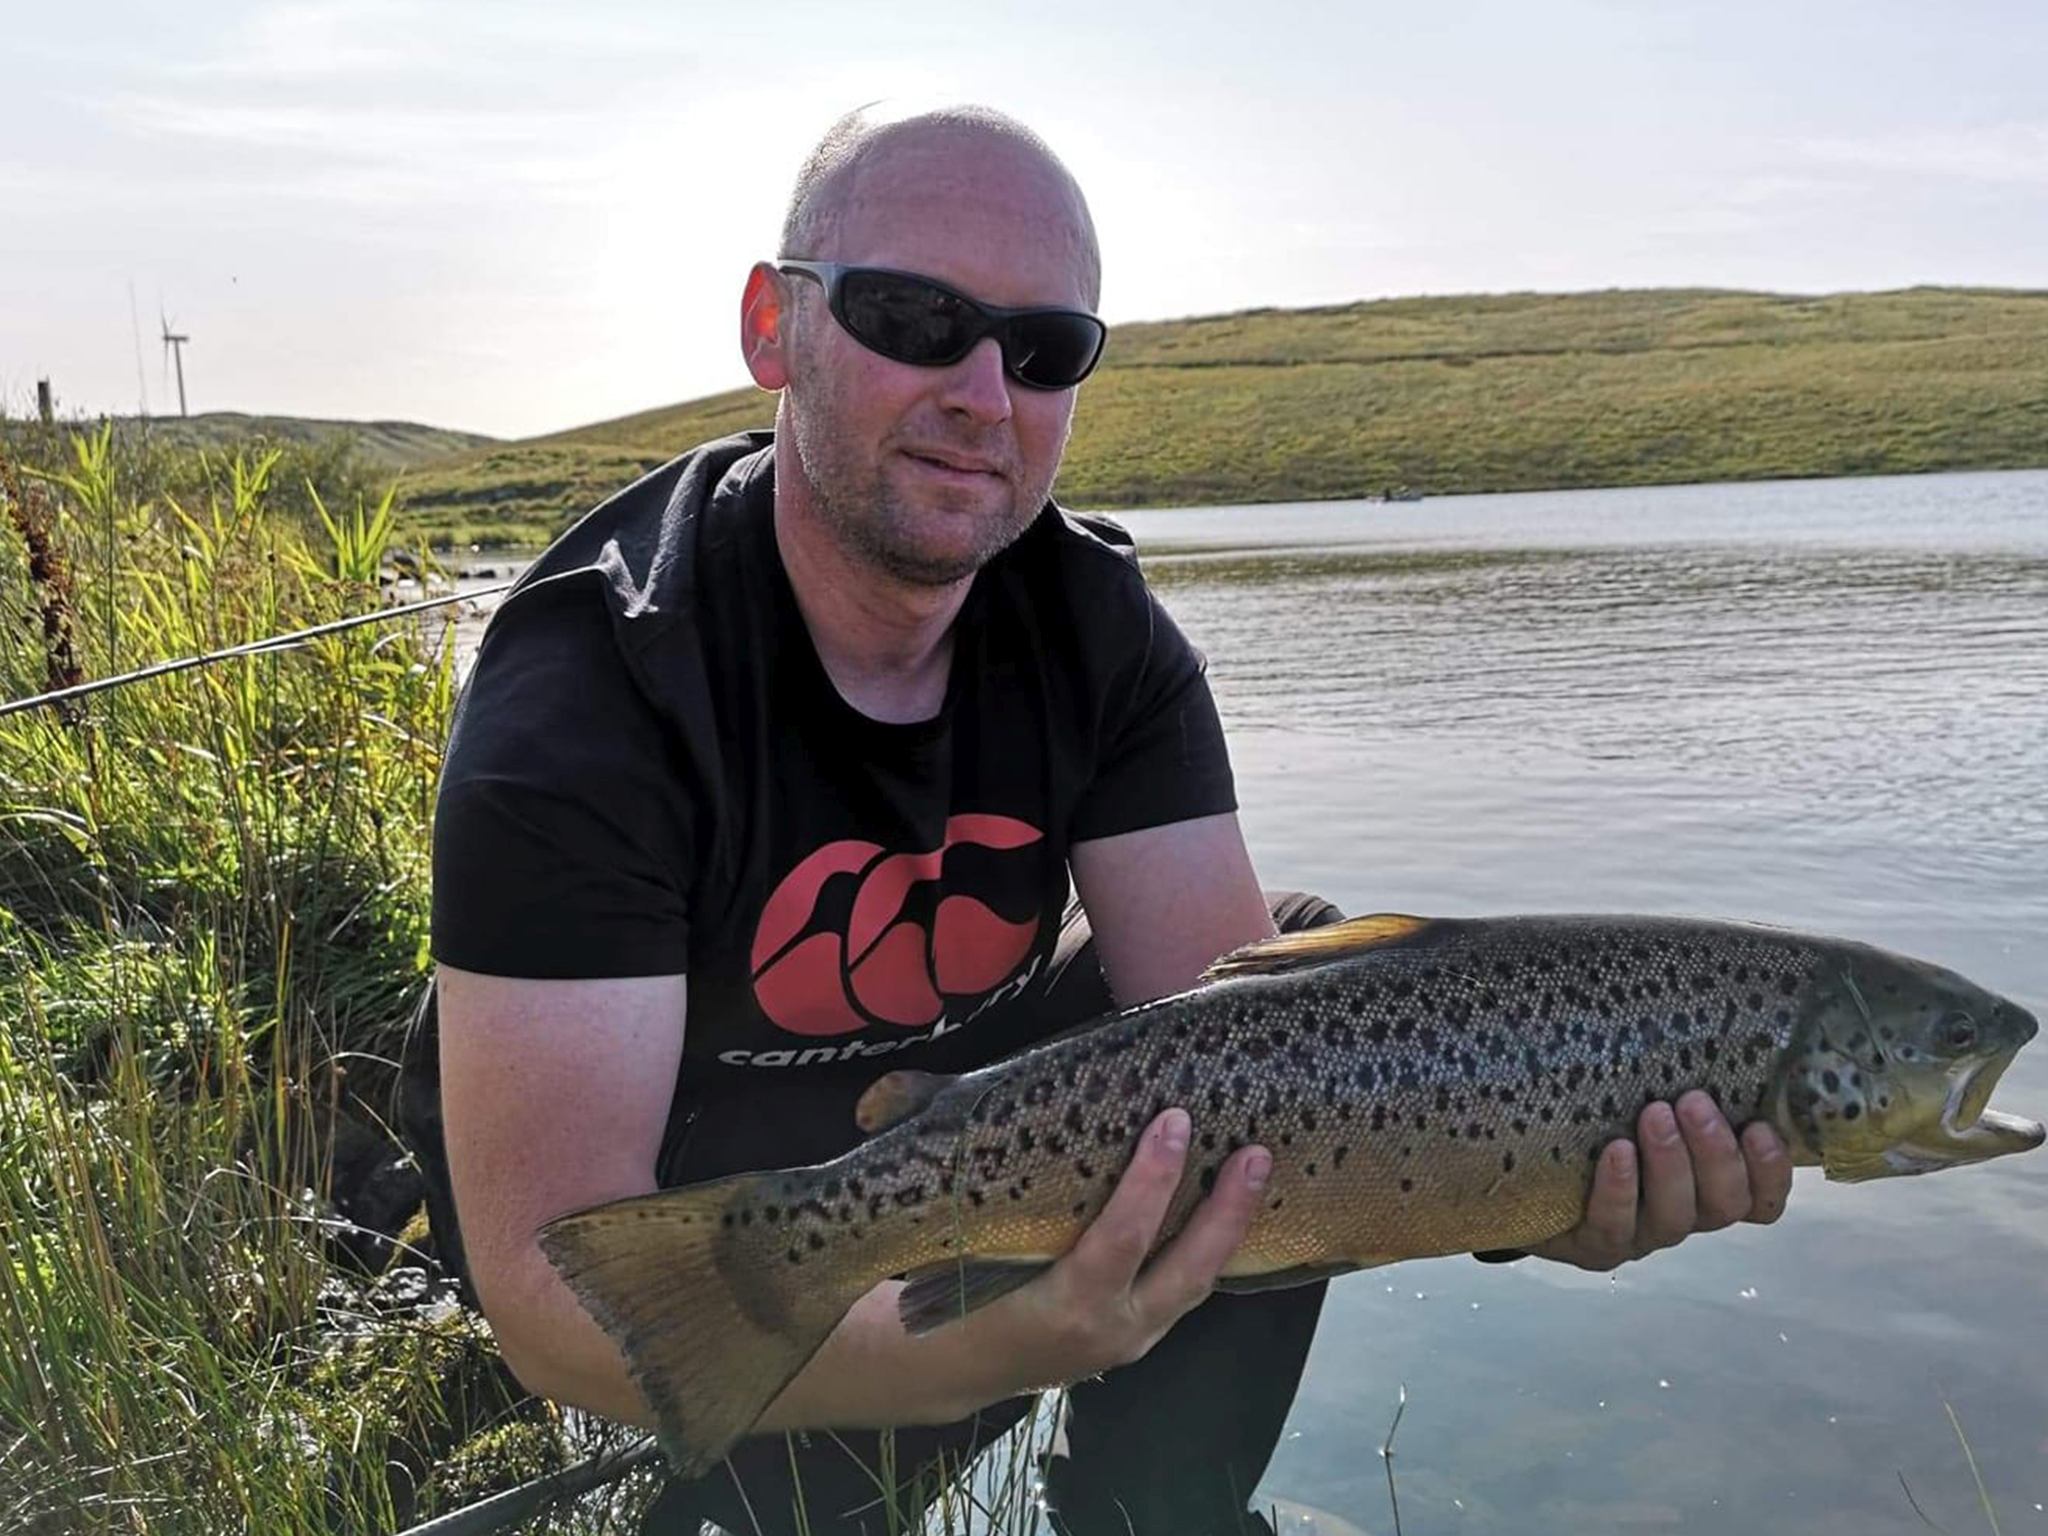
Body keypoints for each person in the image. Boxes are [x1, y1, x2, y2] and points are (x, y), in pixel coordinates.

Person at [417, 103, 1794, 1536]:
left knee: (1301, 976)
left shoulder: (1100, 631)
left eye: (1044, 348)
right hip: (695, 1167)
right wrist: (973, 1360)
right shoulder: (588, 692)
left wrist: (1535, 1187)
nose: (982, 390)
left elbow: (1248, 1052)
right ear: (776, 329)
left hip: (981, 1136)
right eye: (913, 317)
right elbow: (553, 1295)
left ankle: (1154, 1521)